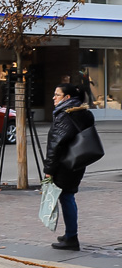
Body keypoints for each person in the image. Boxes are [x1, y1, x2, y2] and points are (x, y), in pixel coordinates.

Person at [43, 82, 96, 251]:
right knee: (68, 196)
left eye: (57, 95)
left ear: (67, 97)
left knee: (66, 198)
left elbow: (56, 145)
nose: (53, 98)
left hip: (64, 164)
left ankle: (72, 238)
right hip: (77, 161)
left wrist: (49, 170)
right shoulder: (82, 112)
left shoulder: (65, 115)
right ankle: (69, 234)